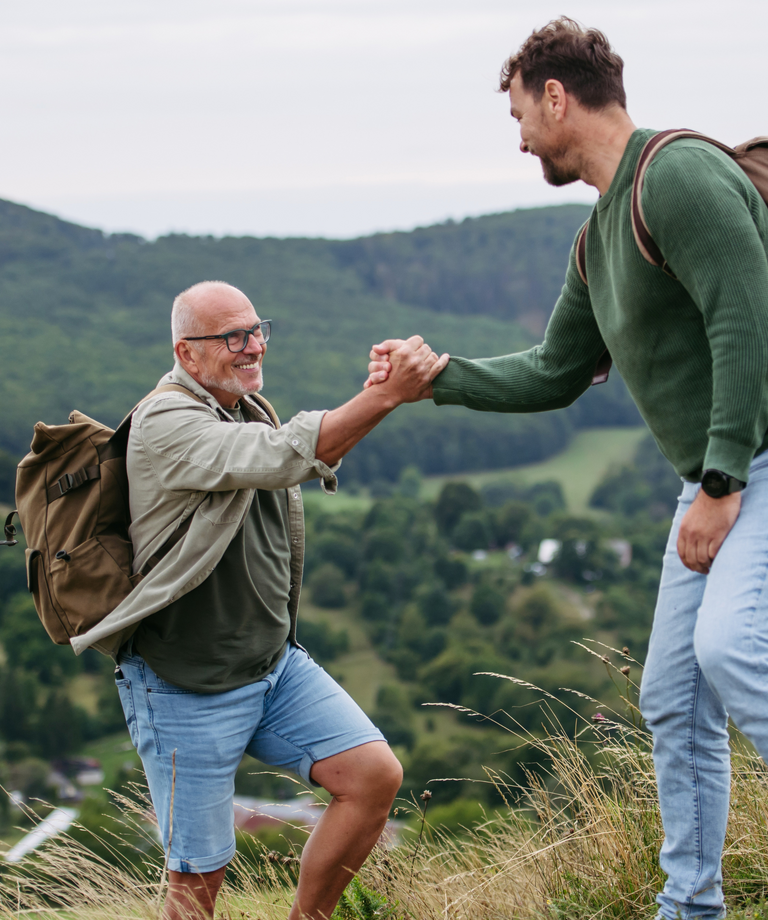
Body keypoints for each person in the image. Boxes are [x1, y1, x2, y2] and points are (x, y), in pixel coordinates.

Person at [366, 17, 768, 920]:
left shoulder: (679, 176)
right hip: (715, 480)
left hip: (746, 468)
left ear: (557, 96)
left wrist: (720, 484)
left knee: (732, 652)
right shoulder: (596, 242)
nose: (517, 137)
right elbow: (553, 371)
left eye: (519, 113)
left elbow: (748, 324)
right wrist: (437, 381)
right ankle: (692, 908)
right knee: (672, 698)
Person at [72, 280, 448, 920]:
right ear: (186, 354)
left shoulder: (243, 407)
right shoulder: (165, 421)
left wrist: (380, 400)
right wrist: (385, 393)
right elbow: (283, 457)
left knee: (372, 777)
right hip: (182, 680)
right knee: (199, 878)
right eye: (231, 337)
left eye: (256, 331)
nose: (252, 347)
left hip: (272, 666)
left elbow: (307, 456)